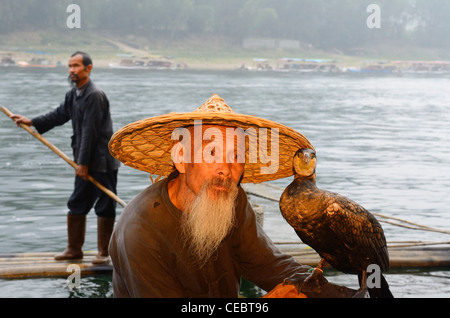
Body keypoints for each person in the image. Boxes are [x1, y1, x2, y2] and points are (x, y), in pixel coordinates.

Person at [108, 94, 358, 298]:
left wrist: (333, 293)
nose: (225, 168)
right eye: (212, 152)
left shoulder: (231, 198)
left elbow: (267, 264)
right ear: (181, 158)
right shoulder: (140, 231)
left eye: (236, 155)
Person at [10, 51, 120, 264]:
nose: (72, 70)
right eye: (70, 66)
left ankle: (104, 254)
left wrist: (83, 163)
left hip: (101, 161)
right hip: (84, 161)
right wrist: (32, 121)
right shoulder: (74, 94)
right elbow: (59, 115)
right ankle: (73, 250)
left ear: (88, 68)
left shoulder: (94, 95)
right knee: (77, 202)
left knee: (105, 204)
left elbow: (90, 132)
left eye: (77, 66)